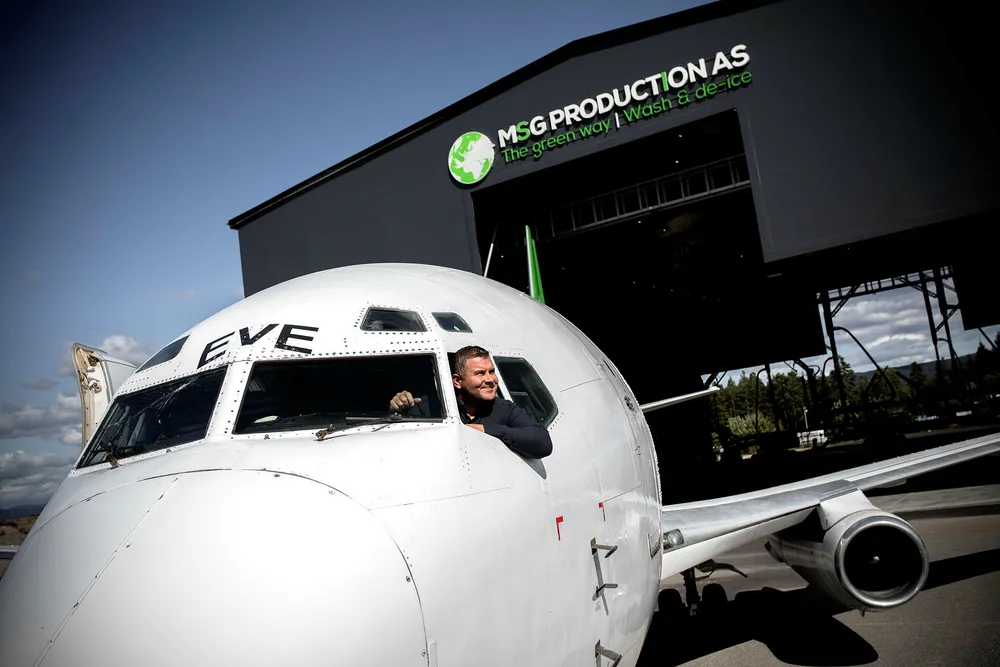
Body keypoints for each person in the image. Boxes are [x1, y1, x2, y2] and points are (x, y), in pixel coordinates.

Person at [389, 345, 552, 459]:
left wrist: (487, 430)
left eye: (491, 372)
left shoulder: (504, 409)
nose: (491, 379)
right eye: (480, 373)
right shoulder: (429, 407)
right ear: (457, 381)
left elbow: (542, 442)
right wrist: (396, 411)